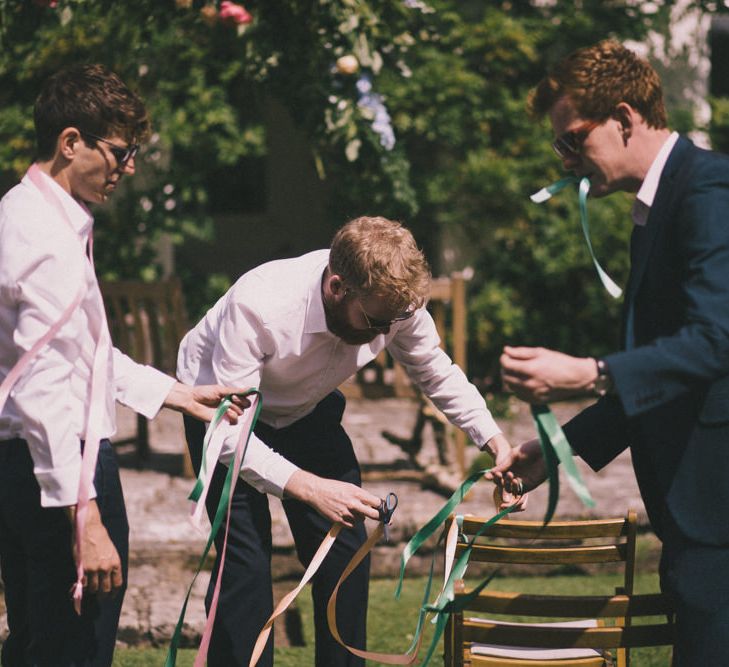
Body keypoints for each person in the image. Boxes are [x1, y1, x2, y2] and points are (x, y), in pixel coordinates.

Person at [177, 215, 512, 666]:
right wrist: (309, 486)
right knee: (246, 567)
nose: (382, 333)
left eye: (392, 322)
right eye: (375, 320)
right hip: (221, 412)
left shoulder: (393, 306)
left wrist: (495, 441)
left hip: (307, 410)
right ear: (337, 288)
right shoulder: (261, 303)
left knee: (346, 551)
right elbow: (231, 431)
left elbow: (434, 370)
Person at [0, 64, 247, 667]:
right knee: (73, 646)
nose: (128, 166)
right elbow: (41, 387)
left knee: (38, 639)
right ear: (70, 143)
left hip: (25, 465)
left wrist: (177, 394)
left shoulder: (28, 212)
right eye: (119, 151)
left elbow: (80, 355)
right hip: (62, 465)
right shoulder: (46, 241)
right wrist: (83, 516)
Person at [493, 39, 729, 665]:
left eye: (574, 139)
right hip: (694, 524)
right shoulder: (653, 211)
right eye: (560, 147)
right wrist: (556, 451)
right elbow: (660, 374)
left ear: (624, 118)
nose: (567, 160)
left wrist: (586, 372)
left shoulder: (708, 192)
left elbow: (715, 341)